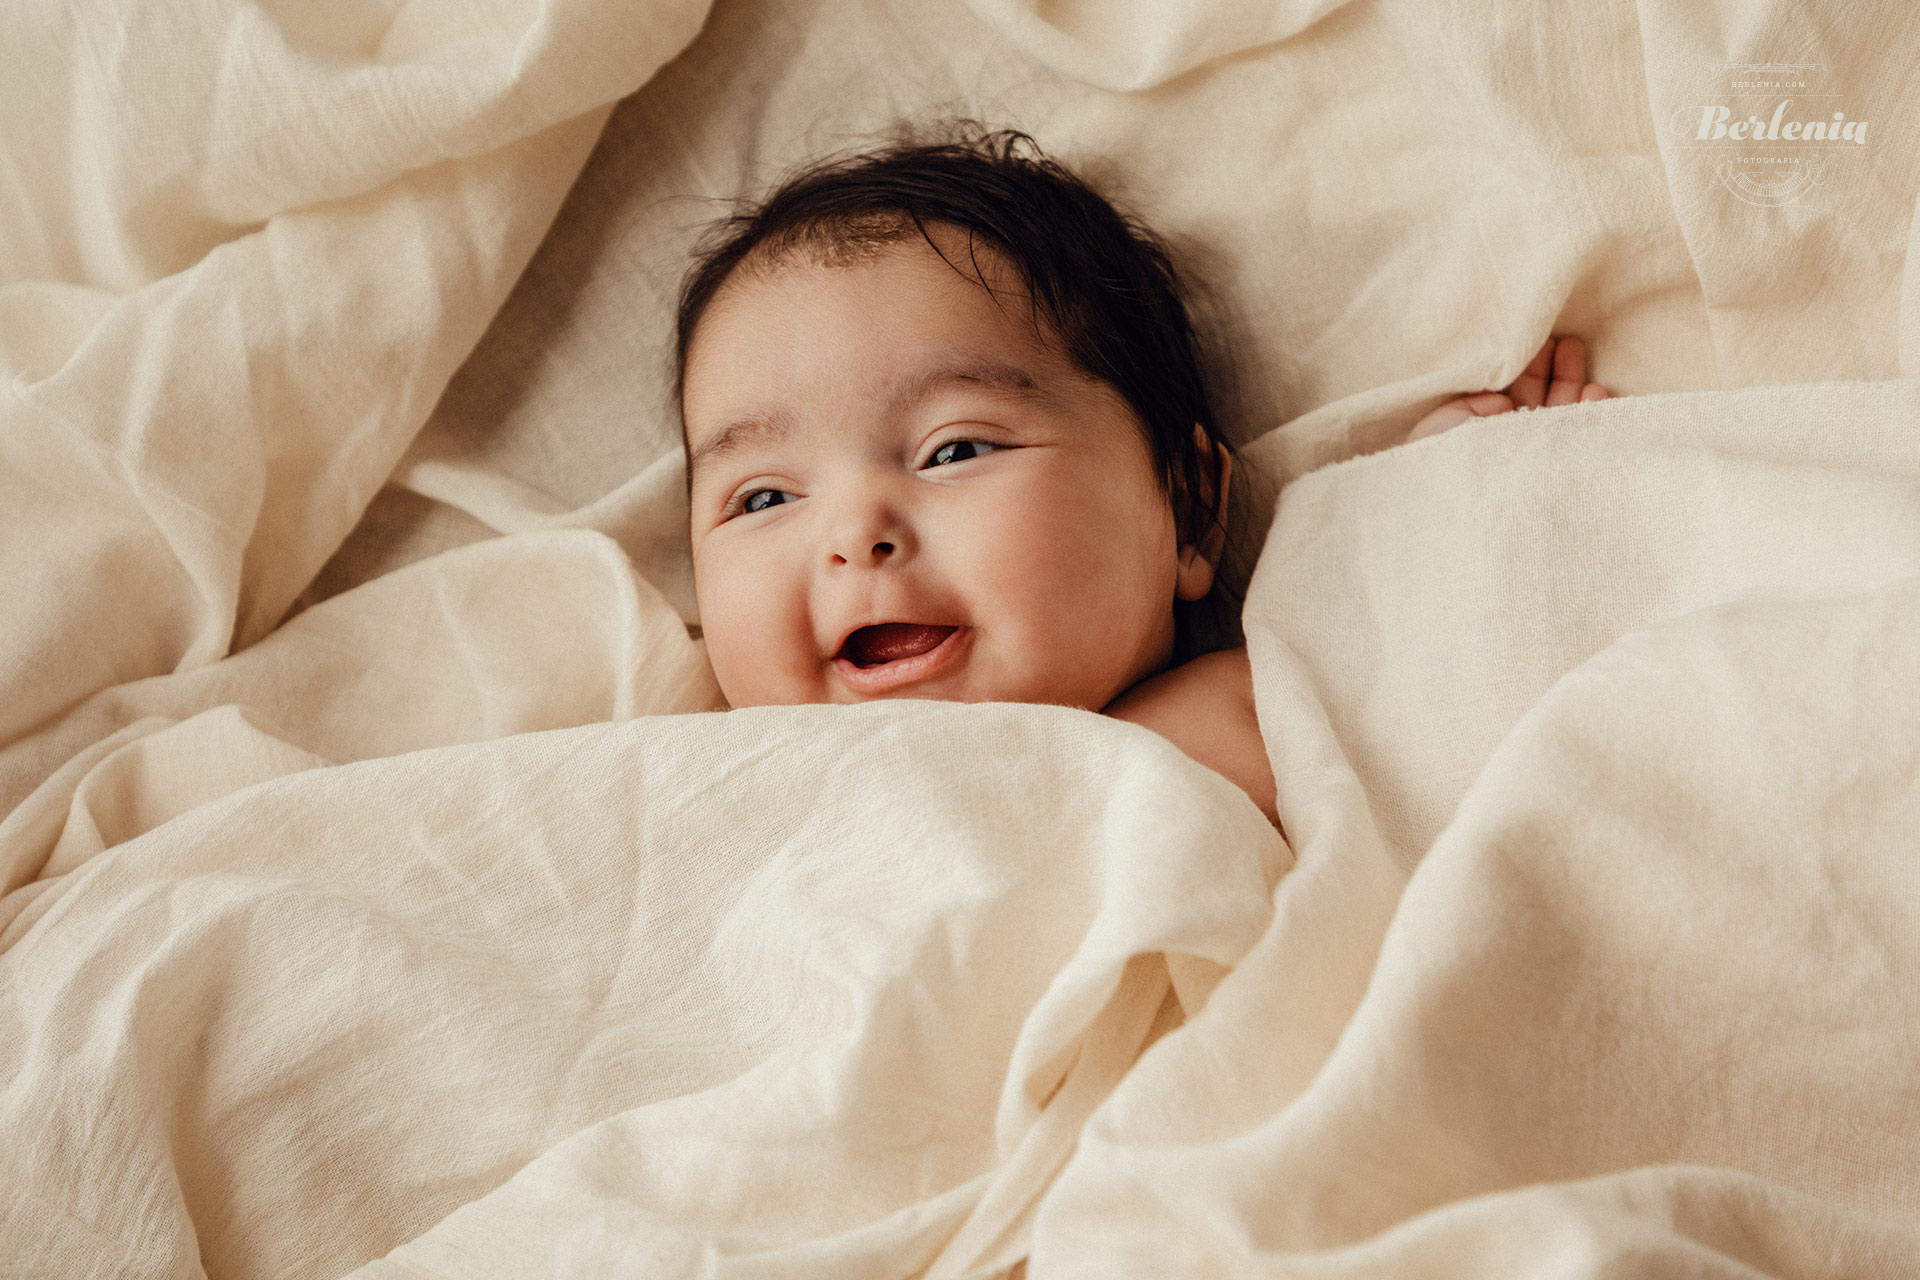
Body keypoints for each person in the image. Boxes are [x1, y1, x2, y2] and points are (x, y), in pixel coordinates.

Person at [673, 128, 1608, 831]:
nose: (852, 533)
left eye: (955, 449)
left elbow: (1439, 672)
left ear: (1192, 508)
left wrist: (1468, 490)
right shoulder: (722, 801)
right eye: (764, 498)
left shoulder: (1246, 704)